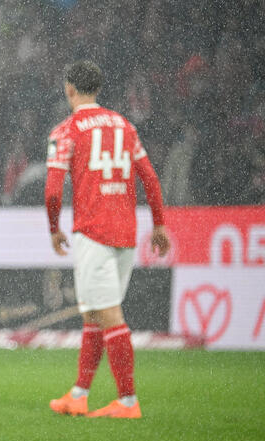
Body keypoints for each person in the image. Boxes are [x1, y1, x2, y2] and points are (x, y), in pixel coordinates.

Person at [44, 61, 171, 419]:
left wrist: (54, 228)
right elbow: (149, 177)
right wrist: (159, 224)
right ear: (97, 88)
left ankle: (128, 400)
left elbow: (53, 191)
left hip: (93, 232)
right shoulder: (124, 126)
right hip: (125, 232)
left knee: (109, 315)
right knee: (94, 314)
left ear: (69, 89)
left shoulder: (66, 130)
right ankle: (79, 394)